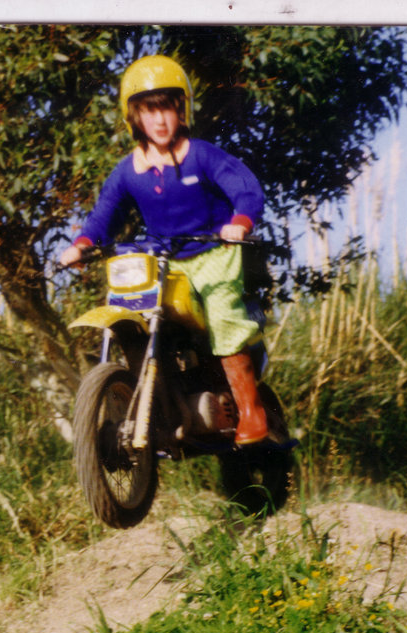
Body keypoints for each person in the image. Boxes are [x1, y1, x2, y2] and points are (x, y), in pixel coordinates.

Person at [59, 54, 269, 446]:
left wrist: (239, 222)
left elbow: (244, 187)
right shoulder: (128, 170)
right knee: (136, 308)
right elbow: (104, 212)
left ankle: (251, 410)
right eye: (148, 110)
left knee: (222, 315)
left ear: (181, 109)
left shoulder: (201, 154)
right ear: (133, 117)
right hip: (164, 261)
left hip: (213, 255)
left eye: (166, 108)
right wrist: (83, 244)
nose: (159, 120)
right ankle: (157, 402)